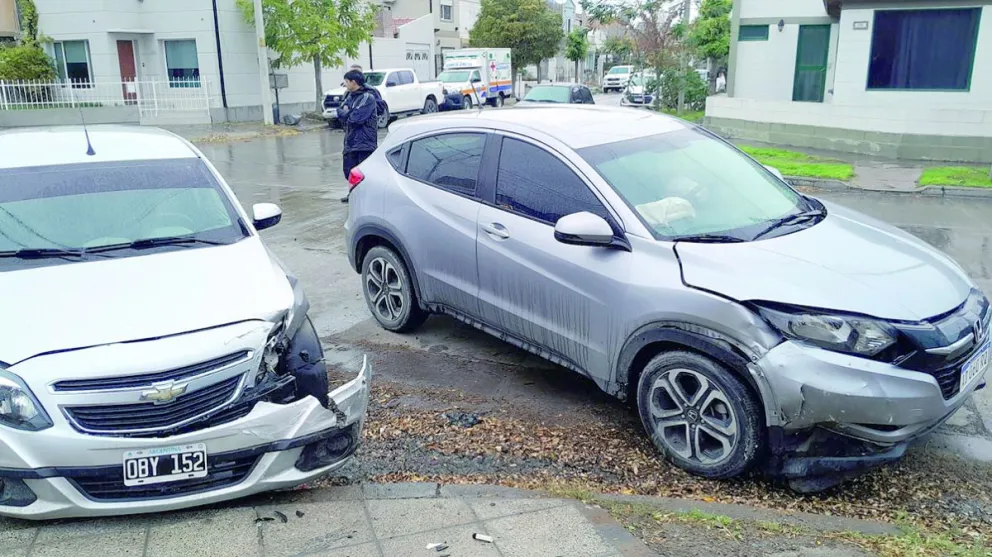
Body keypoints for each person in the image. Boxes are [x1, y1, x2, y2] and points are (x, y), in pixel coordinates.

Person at [338, 69, 379, 204]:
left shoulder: (368, 98)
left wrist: (348, 113)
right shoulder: (349, 96)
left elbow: (356, 119)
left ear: (353, 82)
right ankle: (353, 194)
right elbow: (340, 112)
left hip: (364, 142)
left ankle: (366, 196)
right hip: (350, 140)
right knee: (349, 170)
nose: (345, 84)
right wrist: (347, 113)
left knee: (363, 172)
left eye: (346, 81)